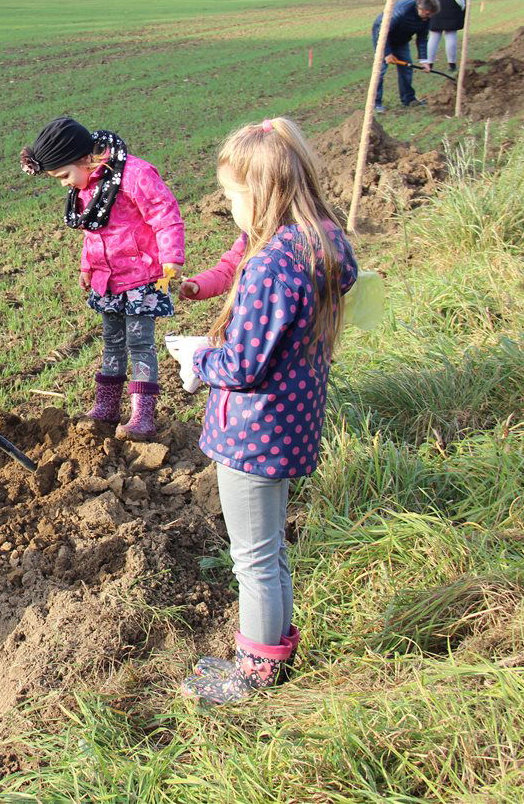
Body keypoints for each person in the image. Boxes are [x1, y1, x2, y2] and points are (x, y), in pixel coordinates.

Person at [167, 118, 358, 705]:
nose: (228, 208)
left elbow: (244, 365)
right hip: (292, 419)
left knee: (253, 559)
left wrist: (199, 358)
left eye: (231, 196)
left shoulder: (273, 263)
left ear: (263, 190)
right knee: (270, 552)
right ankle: (274, 649)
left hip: (253, 432)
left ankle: (253, 675)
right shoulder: (323, 238)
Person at [20, 117, 185, 441]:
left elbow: (165, 215)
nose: (64, 184)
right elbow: (93, 234)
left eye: (64, 176)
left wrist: (171, 258)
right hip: (108, 281)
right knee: (112, 342)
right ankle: (107, 407)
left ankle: (142, 417)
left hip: (141, 278)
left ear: (84, 158)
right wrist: (88, 267)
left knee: (140, 344)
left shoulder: (135, 175)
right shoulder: (85, 189)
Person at [371, 0, 440, 112]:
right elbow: (382, 32)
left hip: (402, 40)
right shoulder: (401, 12)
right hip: (382, 36)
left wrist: (424, 60)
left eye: (431, 15)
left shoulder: (426, 18)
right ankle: (375, 103)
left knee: (407, 68)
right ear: (420, 9)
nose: (429, 17)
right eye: (427, 14)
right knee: (380, 70)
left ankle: (408, 99)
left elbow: (422, 38)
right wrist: (387, 53)